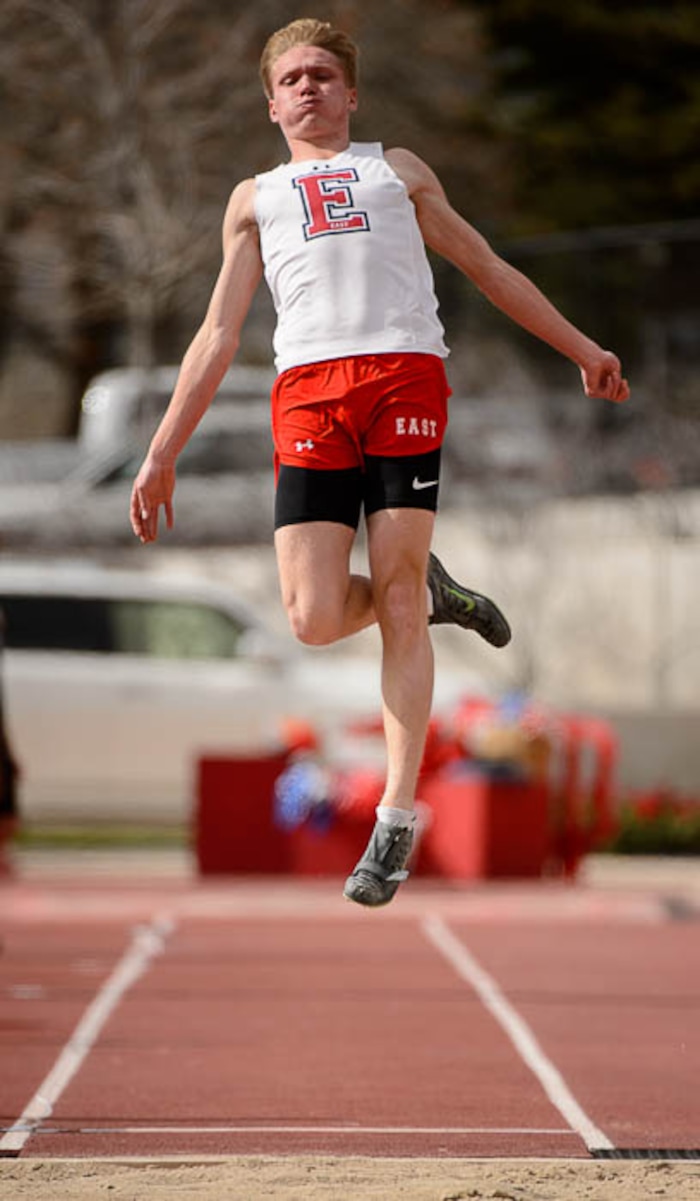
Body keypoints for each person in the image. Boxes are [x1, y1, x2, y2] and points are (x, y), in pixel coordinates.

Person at [130, 18, 629, 908]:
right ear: (271, 100)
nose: (310, 88)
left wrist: (582, 347)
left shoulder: (395, 170)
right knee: (314, 615)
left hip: (403, 376)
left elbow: (483, 263)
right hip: (310, 394)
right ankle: (438, 595)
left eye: (324, 75)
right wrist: (161, 451)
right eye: (293, 78)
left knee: (393, 593)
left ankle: (395, 818)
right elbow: (216, 334)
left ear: (351, 94)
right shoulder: (255, 198)